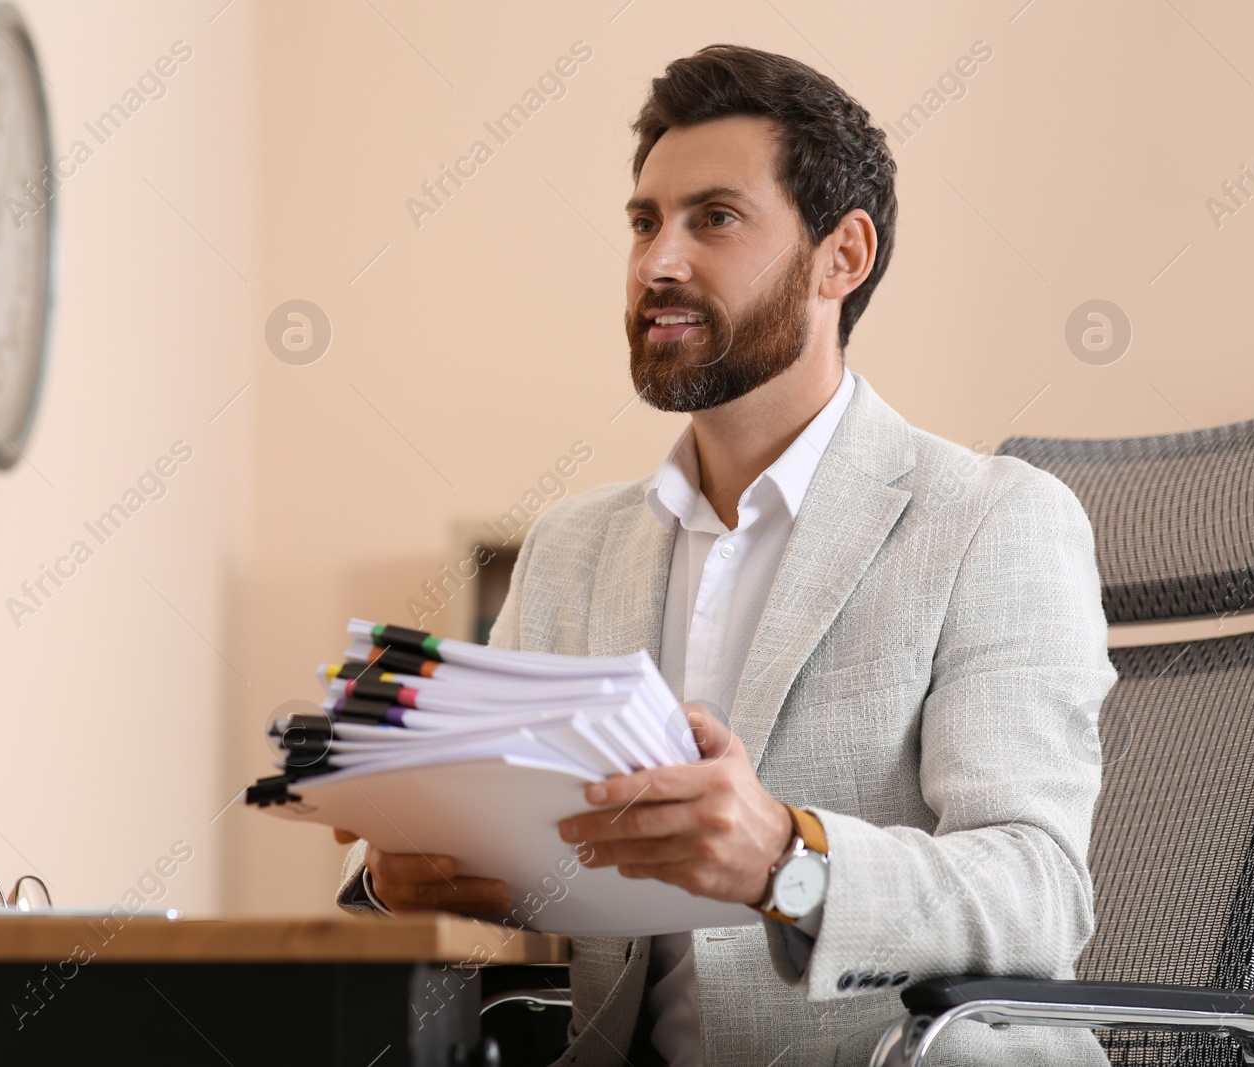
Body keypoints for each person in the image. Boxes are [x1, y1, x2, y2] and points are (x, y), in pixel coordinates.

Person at [335, 44, 1115, 1067]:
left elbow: (1036, 890)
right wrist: (399, 876)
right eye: (644, 221)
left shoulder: (991, 520)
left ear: (842, 255)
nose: (660, 260)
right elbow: (504, 849)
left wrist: (786, 861)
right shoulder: (570, 549)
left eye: (714, 218)